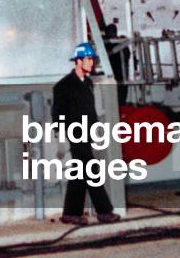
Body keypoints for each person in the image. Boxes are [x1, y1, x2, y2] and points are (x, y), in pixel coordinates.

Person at [52, 42, 120, 226]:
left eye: (92, 59)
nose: (92, 63)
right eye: (89, 59)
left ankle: (71, 213)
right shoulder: (63, 86)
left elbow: (91, 111)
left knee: (80, 174)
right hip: (75, 135)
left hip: (87, 134)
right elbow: (57, 115)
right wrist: (61, 138)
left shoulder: (88, 84)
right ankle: (104, 211)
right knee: (91, 171)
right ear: (78, 61)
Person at [103, 22, 130, 107]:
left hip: (117, 74)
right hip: (119, 74)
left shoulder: (110, 43)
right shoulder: (120, 42)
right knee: (120, 97)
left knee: (118, 97)